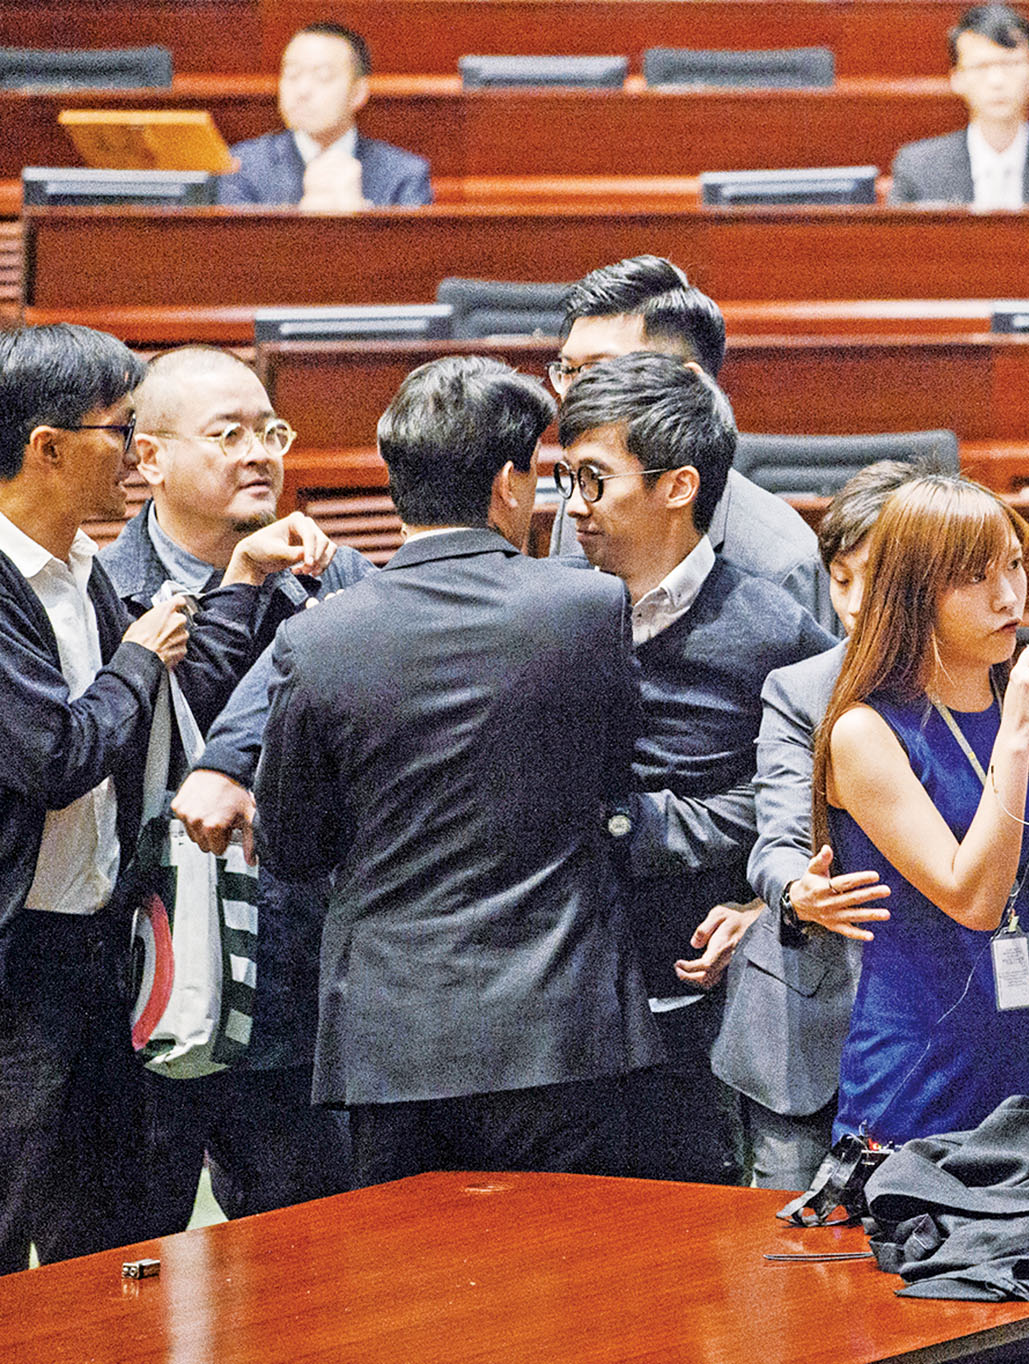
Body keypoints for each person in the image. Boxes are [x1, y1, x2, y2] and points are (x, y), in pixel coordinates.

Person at [254, 356, 657, 1188]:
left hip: (390, 1043)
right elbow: (614, 775)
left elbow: (290, 847)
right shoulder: (586, 607)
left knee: (410, 1301)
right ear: (510, 483)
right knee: (568, 1292)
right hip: (561, 1027)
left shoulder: (317, 640)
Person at [0, 323, 323, 1272]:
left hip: (95, 947)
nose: (135, 455)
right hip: (17, 969)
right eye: (119, 429)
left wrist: (241, 580)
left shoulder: (81, 570)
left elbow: (171, 705)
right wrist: (138, 653)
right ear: (47, 448)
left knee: (99, 1233)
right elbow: (58, 753)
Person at [98, 347, 365, 1234]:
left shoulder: (337, 577)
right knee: (128, 1253)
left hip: (297, 969)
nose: (260, 453)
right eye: (228, 434)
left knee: (307, 1254)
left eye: (270, 431)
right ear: (150, 459)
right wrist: (239, 588)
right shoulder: (104, 591)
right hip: (150, 976)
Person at [555, 353, 833, 1185]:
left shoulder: (770, 629)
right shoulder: (544, 611)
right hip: (563, 1002)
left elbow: (832, 781)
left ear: (677, 488)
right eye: (566, 480)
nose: (574, 507)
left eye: (594, 481)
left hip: (698, 1008)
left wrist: (757, 889)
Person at [816, 473, 1029, 1146]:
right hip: (920, 1068)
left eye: (1014, 565)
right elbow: (971, 896)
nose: (1008, 596)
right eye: (975, 577)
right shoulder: (864, 733)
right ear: (916, 592)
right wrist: (1014, 741)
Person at [729, 459, 921, 1189]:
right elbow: (774, 841)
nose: (852, 601)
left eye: (874, 575)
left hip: (940, 1027)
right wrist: (793, 892)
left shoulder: (991, 688)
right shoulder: (800, 690)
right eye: (839, 578)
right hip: (806, 1036)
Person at [546, 255, 831, 629]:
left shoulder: (782, 561)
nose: (574, 394)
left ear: (688, 383)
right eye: (568, 371)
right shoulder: (581, 507)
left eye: (601, 371)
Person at [889, 5, 1029, 208]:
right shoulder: (919, 167)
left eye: (1010, 64)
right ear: (956, 79)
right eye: (980, 67)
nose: (997, 81)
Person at [217, 22, 431, 210]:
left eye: (323, 76)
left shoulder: (404, 175)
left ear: (357, 92)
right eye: (292, 74)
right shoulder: (242, 166)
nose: (302, 90)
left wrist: (361, 222)